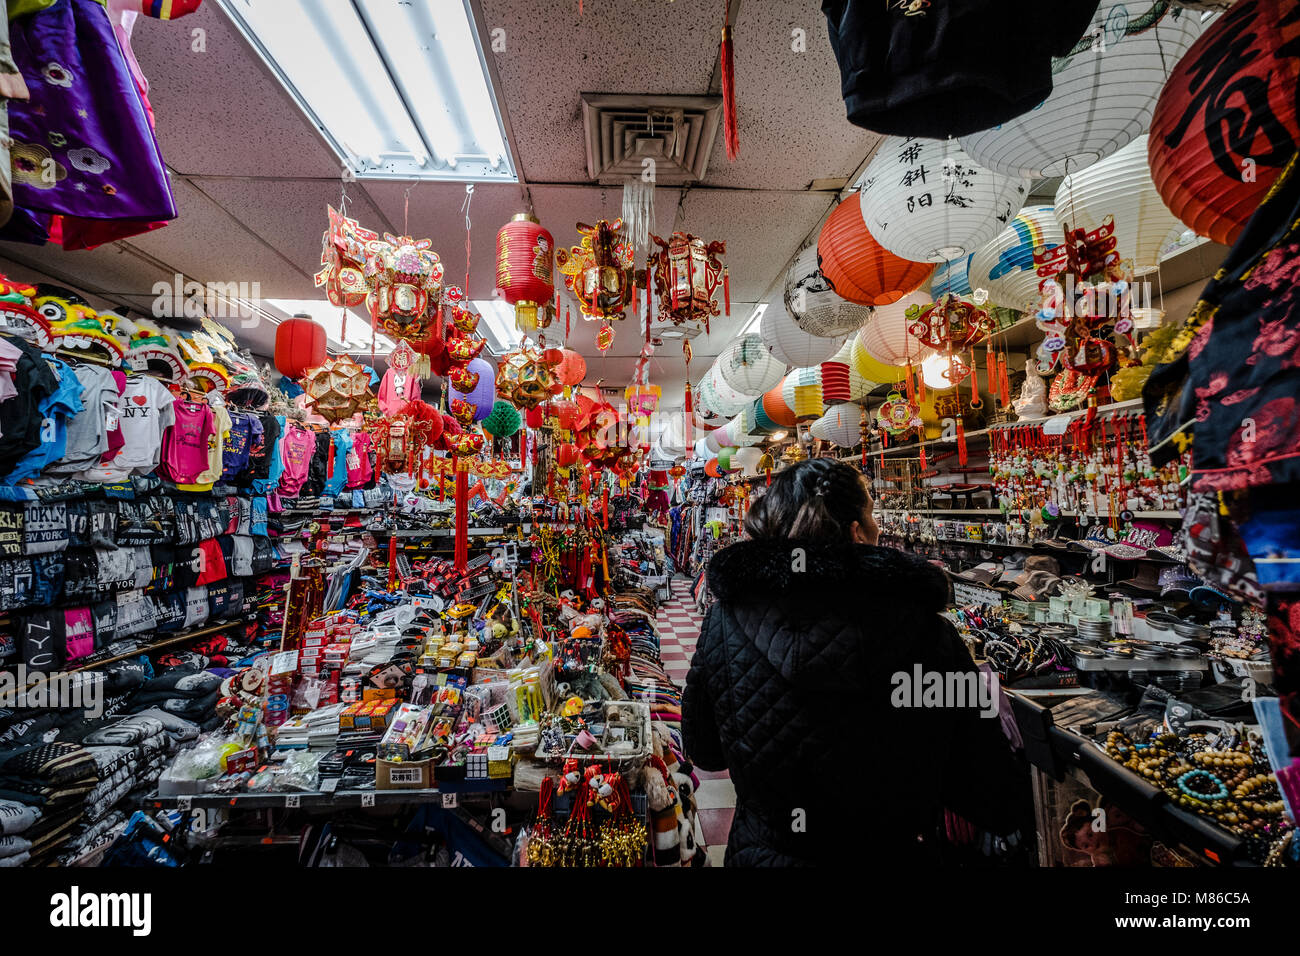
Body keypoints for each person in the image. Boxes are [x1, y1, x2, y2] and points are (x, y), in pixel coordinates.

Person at [683, 457, 1028, 866]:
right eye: (871, 515)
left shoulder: (726, 620)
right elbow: (993, 793)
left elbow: (704, 751)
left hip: (763, 853)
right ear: (855, 532)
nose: (878, 527)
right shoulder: (924, 631)